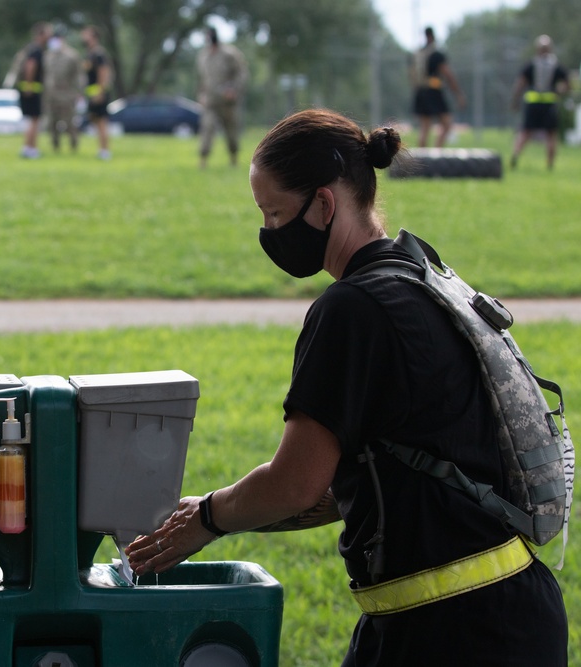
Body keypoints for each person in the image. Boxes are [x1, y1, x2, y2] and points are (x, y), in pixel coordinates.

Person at [126, 108, 568, 666]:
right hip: (500, 612)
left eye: (274, 213)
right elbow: (373, 479)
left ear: (324, 204)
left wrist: (209, 516)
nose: (268, 234)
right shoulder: (422, 277)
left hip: (453, 629)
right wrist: (223, 517)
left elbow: (296, 482)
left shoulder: (352, 310)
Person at [510, 35, 569, 170]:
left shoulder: (531, 65)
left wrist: (515, 101)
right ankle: (550, 164)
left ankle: (515, 155)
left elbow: (520, 84)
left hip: (533, 105)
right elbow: (567, 84)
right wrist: (560, 91)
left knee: (525, 132)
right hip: (549, 105)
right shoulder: (556, 66)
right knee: (551, 134)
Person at [196, 26, 247, 169]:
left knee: (230, 131)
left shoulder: (229, 53)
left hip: (227, 101)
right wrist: (202, 95)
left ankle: (233, 158)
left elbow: (241, 73)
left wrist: (234, 90)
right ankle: (203, 160)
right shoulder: (203, 56)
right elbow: (202, 79)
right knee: (207, 127)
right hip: (210, 102)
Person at [410, 27, 466, 148]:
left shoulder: (419, 54)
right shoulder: (436, 55)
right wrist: (458, 94)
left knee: (424, 128)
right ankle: (436, 153)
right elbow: (448, 75)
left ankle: (422, 160)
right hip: (433, 91)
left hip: (420, 91)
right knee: (446, 124)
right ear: (433, 37)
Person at [43, 26, 83, 155]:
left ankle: (74, 145)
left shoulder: (72, 55)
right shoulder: (48, 55)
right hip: (51, 94)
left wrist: (79, 92)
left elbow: (78, 76)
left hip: (67, 93)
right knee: (52, 123)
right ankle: (55, 147)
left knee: (69, 122)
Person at [16, 22, 51, 159]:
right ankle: (31, 149)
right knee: (34, 120)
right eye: (48, 33)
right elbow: (30, 66)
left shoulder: (30, 49)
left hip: (28, 88)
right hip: (32, 89)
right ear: (40, 34)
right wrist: (30, 85)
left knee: (32, 120)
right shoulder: (36, 50)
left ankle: (28, 147)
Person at [81, 25, 114, 161]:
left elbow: (103, 72)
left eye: (86, 34)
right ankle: (101, 149)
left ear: (94, 37)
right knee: (95, 121)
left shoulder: (98, 53)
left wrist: (100, 92)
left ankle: (105, 151)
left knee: (101, 122)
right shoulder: (90, 53)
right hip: (92, 93)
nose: (83, 36)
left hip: (98, 93)